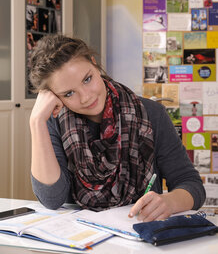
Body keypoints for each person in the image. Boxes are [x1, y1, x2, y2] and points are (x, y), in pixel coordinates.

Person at [29, 35, 205, 222]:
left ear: (95, 64)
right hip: (79, 239)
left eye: (87, 79)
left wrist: (169, 202)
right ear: (55, 96)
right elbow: (51, 199)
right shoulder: (54, 121)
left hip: (138, 235)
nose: (86, 97)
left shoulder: (152, 113)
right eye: (69, 93)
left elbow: (191, 184)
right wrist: (36, 122)